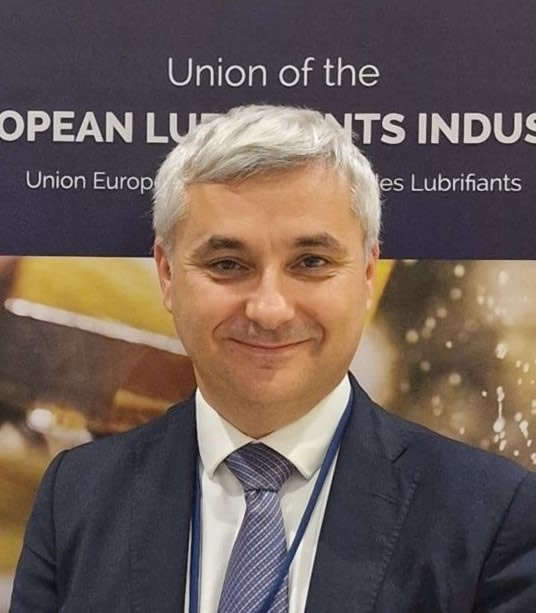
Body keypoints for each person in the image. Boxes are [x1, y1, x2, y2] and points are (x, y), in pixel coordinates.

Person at [10, 105, 535, 612]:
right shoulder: (76, 496)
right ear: (167, 274)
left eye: (311, 262)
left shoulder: (492, 518)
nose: (268, 309)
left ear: (367, 273)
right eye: (227, 264)